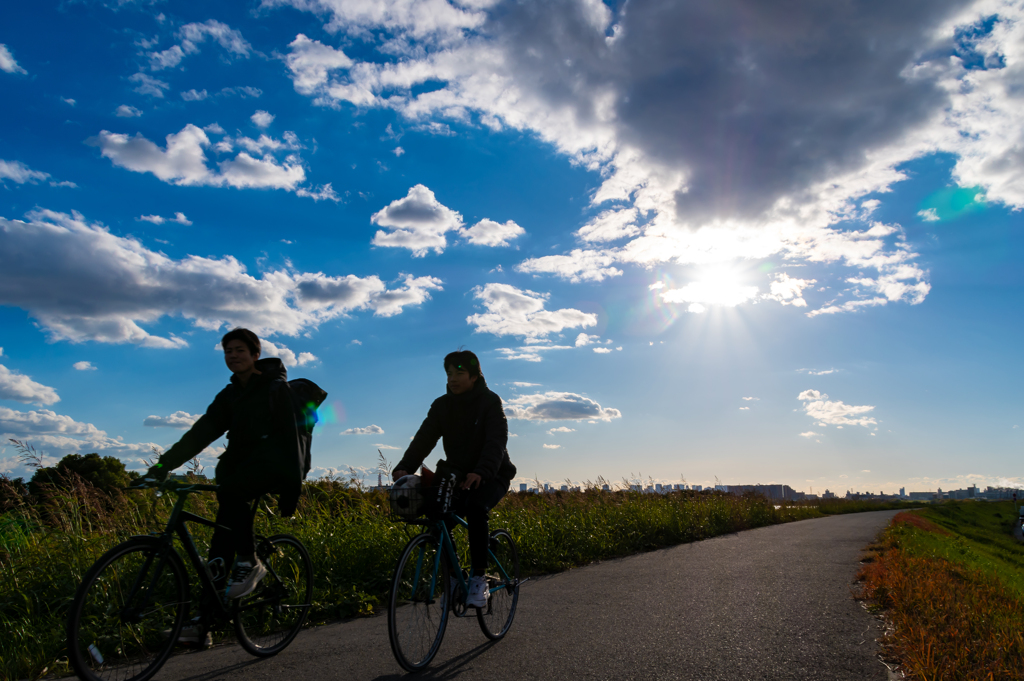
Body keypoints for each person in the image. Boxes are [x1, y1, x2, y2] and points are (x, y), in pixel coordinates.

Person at [145, 328, 305, 646]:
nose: (233, 356)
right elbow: (201, 433)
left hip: (272, 468)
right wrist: (162, 467)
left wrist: (292, 487)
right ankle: (201, 625)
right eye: (227, 351)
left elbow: (293, 438)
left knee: (229, 493)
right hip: (238, 472)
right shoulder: (229, 395)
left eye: (239, 350)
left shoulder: (276, 388)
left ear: (255, 354)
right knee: (217, 554)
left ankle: (250, 562)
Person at [392, 350, 516, 609]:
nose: (453, 379)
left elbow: (496, 441)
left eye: (459, 373)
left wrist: (482, 471)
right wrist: (405, 467)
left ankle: (479, 580)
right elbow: (425, 438)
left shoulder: (490, 402)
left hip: (493, 473)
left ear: (474, 377)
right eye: (449, 373)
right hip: (457, 474)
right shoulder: (442, 406)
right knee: (438, 516)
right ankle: (453, 580)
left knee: (475, 507)